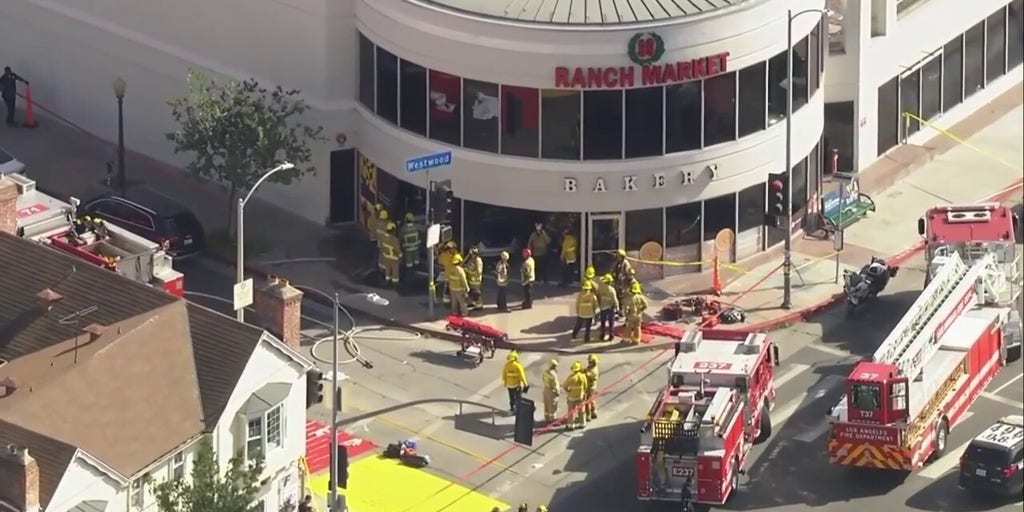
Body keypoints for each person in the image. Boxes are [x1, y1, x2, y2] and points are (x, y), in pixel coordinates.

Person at [563, 361, 589, 430]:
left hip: (572, 397)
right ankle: (582, 423)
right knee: (581, 410)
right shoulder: (583, 376)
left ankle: (571, 425)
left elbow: (564, 386)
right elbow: (586, 386)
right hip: (580, 396)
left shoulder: (571, 378)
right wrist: (583, 392)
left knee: (571, 411)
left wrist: (568, 390)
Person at [596, 273, 619, 341]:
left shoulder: (600, 288)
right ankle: (611, 335)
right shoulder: (611, 290)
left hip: (603, 307)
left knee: (602, 322)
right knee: (611, 322)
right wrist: (617, 307)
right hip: (610, 307)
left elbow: (598, 296)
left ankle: (602, 335)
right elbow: (615, 300)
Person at [380, 222, 402, 287]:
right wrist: (401, 256)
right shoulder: (394, 239)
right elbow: (397, 249)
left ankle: (387, 280)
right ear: (393, 230)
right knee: (395, 270)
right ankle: (395, 283)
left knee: (387, 268)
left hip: (386, 256)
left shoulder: (382, 237)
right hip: (394, 258)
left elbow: (381, 246)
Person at [464, 245, 484, 310]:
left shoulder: (478, 260)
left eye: (472, 254)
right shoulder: (471, 259)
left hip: (476, 280)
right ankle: (473, 303)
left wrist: (470, 272)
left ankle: (479, 306)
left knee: (476, 293)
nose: (471, 255)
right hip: (471, 279)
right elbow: (465, 264)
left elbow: (479, 271)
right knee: (471, 292)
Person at [376, 209, 391, 283]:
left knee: (381, 256)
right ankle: (385, 270)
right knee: (386, 257)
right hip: (386, 243)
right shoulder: (387, 224)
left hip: (380, 243)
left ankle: (380, 268)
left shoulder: (378, 222)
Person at [584, 354, 600, 420]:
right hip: (592, 387)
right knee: (592, 399)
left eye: (590, 362)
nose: (588, 362)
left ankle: (588, 415)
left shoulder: (594, 371)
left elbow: (588, 375)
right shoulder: (591, 367)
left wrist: (584, 372)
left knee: (588, 401)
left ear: (593, 362)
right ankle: (594, 412)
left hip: (590, 387)